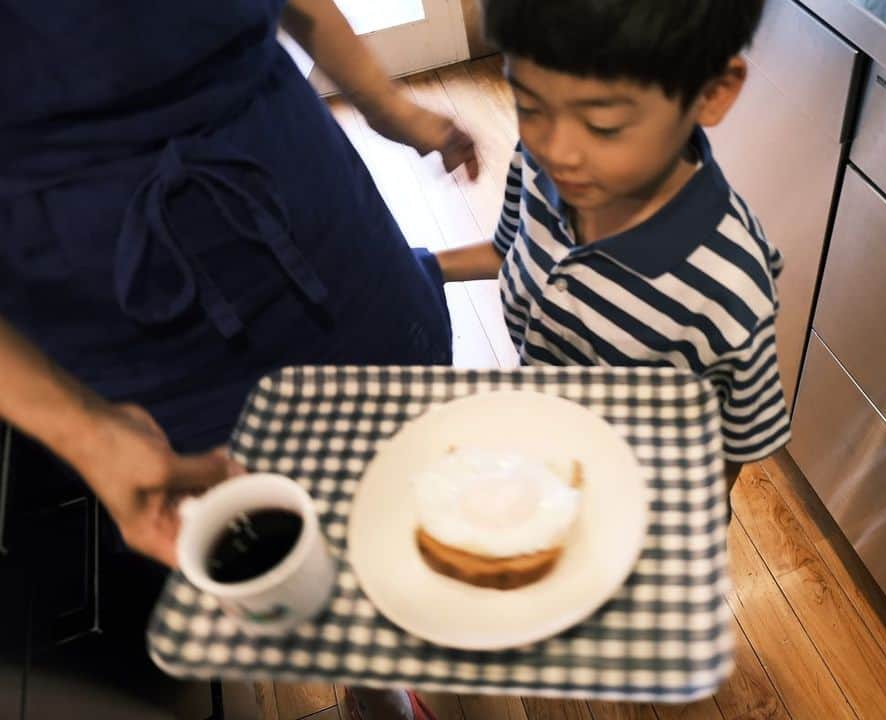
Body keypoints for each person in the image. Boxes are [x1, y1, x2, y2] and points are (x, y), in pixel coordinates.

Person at [0, 1, 475, 717]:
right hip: (103, 307)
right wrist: (86, 435)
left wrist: (386, 104)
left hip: (305, 202)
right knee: (242, 540)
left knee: (393, 462)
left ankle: (373, 678)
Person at [436, 0, 791, 490]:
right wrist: (422, 267)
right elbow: (507, 250)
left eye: (603, 126)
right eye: (530, 106)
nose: (557, 152)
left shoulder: (727, 286)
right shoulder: (538, 168)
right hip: (542, 451)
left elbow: (734, 445)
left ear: (711, 91)